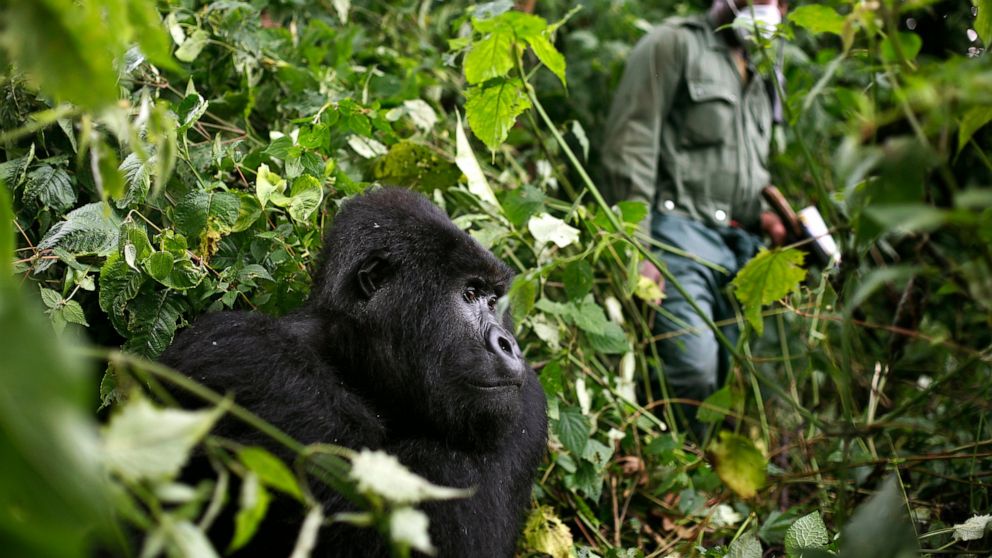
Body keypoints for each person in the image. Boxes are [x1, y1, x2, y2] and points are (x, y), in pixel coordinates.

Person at [601, 0, 788, 437]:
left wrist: (768, 219)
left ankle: (693, 483)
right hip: (675, 238)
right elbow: (630, 149)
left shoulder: (761, 75)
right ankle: (668, 482)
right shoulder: (673, 45)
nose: (769, 7)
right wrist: (636, 249)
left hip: (735, 250)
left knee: (737, 387)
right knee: (694, 371)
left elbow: (741, 171)